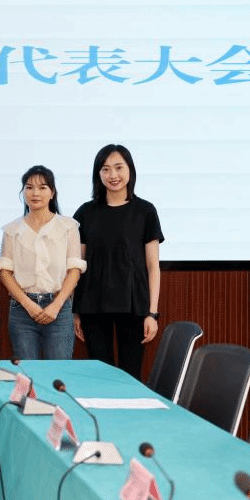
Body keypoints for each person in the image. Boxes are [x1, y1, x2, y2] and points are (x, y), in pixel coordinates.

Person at [72, 144, 164, 378]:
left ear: (130, 169)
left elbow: (153, 267)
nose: (113, 175)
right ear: (98, 174)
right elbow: (77, 265)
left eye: (118, 167)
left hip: (133, 305)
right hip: (93, 305)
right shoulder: (85, 212)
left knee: (130, 376)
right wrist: (76, 311)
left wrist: (152, 314)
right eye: (105, 169)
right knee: (100, 376)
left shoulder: (145, 211)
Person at [0, 165, 86, 360]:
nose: (35, 193)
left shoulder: (68, 226)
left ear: (52, 193)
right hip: (22, 310)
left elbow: (74, 270)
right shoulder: (12, 230)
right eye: (29, 187)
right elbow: (5, 272)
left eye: (42, 187)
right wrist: (29, 305)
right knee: (26, 372)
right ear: (23, 193)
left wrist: (56, 305)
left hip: (59, 307)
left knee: (59, 371)